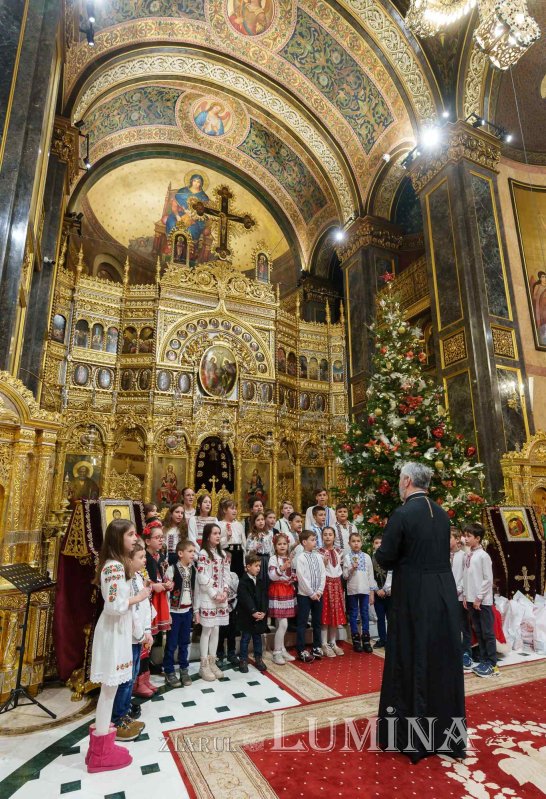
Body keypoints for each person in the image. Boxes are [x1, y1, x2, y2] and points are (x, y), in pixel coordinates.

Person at [375, 461, 466, 763]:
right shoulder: (441, 513)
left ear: (408, 481)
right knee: (441, 657)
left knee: (411, 656)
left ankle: (411, 738)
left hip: (414, 593)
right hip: (443, 592)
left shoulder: (402, 514)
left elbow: (386, 557)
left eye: (400, 479)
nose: (399, 484)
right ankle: (446, 735)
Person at [87, 520, 151, 773]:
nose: (135, 538)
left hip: (119, 631)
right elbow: (114, 605)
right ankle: (101, 752)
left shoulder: (117, 565)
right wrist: (139, 596)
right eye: (131, 534)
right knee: (109, 690)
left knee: (110, 691)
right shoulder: (113, 567)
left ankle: (101, 745)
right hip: (113, 632)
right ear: (117, 538)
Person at [111, 542, 150, 741]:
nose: (145, 561)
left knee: (131, 676)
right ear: (128, 559)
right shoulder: (124, 580)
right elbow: (130, 610)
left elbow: (145, 608)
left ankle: (124, 715)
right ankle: (117, 720)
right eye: (141, 558)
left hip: (137, 636)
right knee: (125, 680)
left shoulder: (137, 577)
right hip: (128, 636)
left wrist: (147, 631)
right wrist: (142, 634)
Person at [194, 522, 230, 681]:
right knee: (207, 630)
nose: (218, 536)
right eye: (215, 533)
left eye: (219, 533)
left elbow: (227, 573)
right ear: (208, 536)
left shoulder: (222, 554)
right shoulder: (203, 553)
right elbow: (202, 576)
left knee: (216, 629)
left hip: (221, 596)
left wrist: (225, 590)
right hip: (209, 597)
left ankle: (212, 661)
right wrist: (215, 593)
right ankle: (203, 665)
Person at [463, 522, 498, 678]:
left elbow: (487, 579)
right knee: (478, 630)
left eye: (469, 536)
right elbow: (466, 577)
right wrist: (465, 596)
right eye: (465, 535)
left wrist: (478, 598)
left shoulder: (483, 556)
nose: (465, 538)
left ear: (477, 538)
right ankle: (483, 660)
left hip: (482, 601)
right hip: (471, 599)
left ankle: (491, 663)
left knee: (487, 632)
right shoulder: (468, 554)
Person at [163, 539, 196, 688]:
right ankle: (169, 670)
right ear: (180, 553)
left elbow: (195, 591)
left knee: (185, 642)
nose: (193, 554)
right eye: (190, 551)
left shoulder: (193, 569)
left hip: (187, 611)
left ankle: (184, 669)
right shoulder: (172, 569)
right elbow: (166, 594)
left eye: (194, 552)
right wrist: (167, 612)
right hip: (174, 612)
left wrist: (195, 610)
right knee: (171, 643)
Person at [143, 521, 173, 675]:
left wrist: (168, 582)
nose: (161, 540)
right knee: (148, 632)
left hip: (160, 598)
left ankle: (153, 662)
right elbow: (141, 577)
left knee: (158, 634)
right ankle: (144, 666)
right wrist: (153, 586)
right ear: (148, 541)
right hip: (148, 599)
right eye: (157, 538)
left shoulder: (160, 555)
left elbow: (164, 574)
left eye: (162, 537)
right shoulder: (144, 557)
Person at [295, 530, 326, 663]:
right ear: (304, 542)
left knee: (317, 622)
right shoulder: (300, 558)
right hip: (305, 595)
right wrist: (311, 593)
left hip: (318, 595)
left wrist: (319, 590)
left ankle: (317, 646)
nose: (315, 542)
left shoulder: (319, 556)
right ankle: (301, 649)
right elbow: (301, 578)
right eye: (312, 540)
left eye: (315, 539)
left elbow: (323, 574)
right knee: (302, 623)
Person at [343, 532, 375, 653]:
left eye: (358, 541)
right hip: (352, 589)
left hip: (365, 589)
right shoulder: (346, 557)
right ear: (349, 543)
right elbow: (345, 576)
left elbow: (370, 575)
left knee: (365, 613)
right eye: (353, 541)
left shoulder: (366, 557)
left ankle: (366, 639)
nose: (356, 543)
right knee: (353, 614)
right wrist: (352, 568)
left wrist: (372, 591)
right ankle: (356, 639)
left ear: (361, 543)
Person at [268, 532, 297, 664]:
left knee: (282, 623)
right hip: (278, 591)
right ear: (275, 546)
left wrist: (293, 578)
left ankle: (283, 648)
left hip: (287, 590)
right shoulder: (273, 559)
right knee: (283, 623)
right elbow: (272, 576)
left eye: (284, 543)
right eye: (279, 544)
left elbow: (292, 573)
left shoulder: (290, 558)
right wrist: (282, 568)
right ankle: (276, 652)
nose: (282, 546)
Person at [237, 553, 268, 673]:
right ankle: (243, 659)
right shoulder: (243, 582)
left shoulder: (260, 580)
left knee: (257, 638)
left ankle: (258, 658)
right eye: (256, 566)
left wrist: (264, 611)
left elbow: (264, 597)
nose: (258, 568)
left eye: (259, 566)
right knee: (245, 638)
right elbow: (245, 599)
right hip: (247, 616)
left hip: (259, 616)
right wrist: (253, 612)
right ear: (248, 567)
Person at [319, 527, 346, 657]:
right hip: (325, 585)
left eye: (330, 534)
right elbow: (320, 570)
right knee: (325, 614)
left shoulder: (338, 551)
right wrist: (323, 562)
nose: (328, 537)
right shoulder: (319, 552)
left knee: (335, 614)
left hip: (336, 585)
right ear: (322, 536)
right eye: (325, 535)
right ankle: (324, 643)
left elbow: (339, 569)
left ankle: (333, 642)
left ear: (334, 536)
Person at [450, 528, 473, 671]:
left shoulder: (464, 556)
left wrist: (457, 590)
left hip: (458, 596)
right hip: (445, 596)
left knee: (463, 626)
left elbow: (465, 576)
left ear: (457, 539)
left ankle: (466, 653)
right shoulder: (442, 556)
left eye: (449, 537)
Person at [371, 535, 392, 650]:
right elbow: (370, 576)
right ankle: (382, 639)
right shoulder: (371, 559)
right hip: (377, 593)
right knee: (380, 618)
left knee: (390, 618)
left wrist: (385, 589)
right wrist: (376, 589)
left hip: (389, 593)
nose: (379, 545)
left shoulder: (390, 558)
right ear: (373, 545)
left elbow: (391, 574)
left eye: (381, 543)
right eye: (376, 543)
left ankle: (390, 639)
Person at [246, 511, 273, 591]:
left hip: (267, 559)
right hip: (257, 560)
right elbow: (248, 550)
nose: (261, 522)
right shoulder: (251, 535)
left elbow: (272, 549)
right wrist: (255, 547)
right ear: (254, 523)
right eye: (258, 520)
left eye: (262, 519)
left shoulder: (270, 534)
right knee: (259, 583)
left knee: (268, 582)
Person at [218, 499, 246, 577]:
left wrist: (244, 562)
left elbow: (244, 544)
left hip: (239, 554)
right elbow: (218, 543)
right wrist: (227, 537)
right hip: (227, 554)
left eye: (235, 509)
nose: (235, 511)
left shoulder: (239, 525)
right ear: (224, 510)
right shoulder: (220, 525)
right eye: (232, 508)